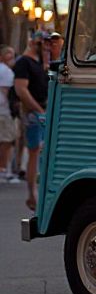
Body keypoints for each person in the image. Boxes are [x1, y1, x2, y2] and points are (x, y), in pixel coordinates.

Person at [14, 31, 51, 211]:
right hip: (32, 113)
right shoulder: (23, 62)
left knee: (43, 151)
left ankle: (40, 191)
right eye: (41, 42)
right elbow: (22, 90)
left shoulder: (39, 62)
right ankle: (32, 193)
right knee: (34, 151)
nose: (44, 45)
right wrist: (38, 109)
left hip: (42, 110)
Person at [0, 46, 17, 183]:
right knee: (6, 141)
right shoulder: (6, 72)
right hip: (4, 111)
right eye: (8, 53)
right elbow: (6, 92)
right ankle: (3, 169)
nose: (11, 56)